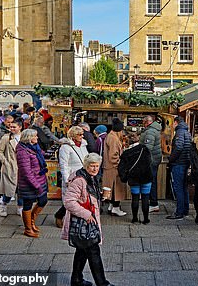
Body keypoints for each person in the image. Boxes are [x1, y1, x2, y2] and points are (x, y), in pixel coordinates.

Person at [61, 153, 114, 286]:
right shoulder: (80, 180)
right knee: (93, 251)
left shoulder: (90, 177)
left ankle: (76, 280)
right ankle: (102, 283)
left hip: (87, 221)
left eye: (97, 166)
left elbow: (88, 197)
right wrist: (86, 214)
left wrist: (101, 196)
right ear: (86, 165)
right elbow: (68, 202)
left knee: (82, 251)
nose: (95, 169)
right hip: (84, 222)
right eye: (92, 166)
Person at [15, 129, 49, 238]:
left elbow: (42, 155)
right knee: (28, 204)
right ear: (29, 138)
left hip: (40, 179)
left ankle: (32, 220)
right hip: (29, 183)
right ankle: (28, 228)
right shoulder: (22, 151)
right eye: (35, 136)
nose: (37, 138)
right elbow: (26, 172)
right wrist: (36, 185)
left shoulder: (34, 147)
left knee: (43, 200)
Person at [55, 126, 90, 226]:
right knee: (70, 199)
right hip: (72, 176)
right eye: (79, 134)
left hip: (83, 175)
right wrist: (66, 179)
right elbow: (63, 165)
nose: (82, 136)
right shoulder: (65, 147)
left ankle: (75, 219)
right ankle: (59, 215)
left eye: (82, 134)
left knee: (80, 198)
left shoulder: (83, 145)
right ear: (73, 135)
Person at [119, 132, 152, 224]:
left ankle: (134, 218)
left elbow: (122, 167)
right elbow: (150, 161)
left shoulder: (126, 153)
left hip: (134, 178)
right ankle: (146, 219)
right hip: (146, 177)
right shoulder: (145, 149)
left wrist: (124, 178)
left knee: (135, 198)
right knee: (145, 198)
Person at [0, 120, 23, 217]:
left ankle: (20, 207)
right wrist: (5, 162)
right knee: (9, 190)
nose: (11, 129)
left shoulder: (24, 138)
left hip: (22, 167)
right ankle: (3, 204)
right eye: (10, 127)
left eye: (14, 127)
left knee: (21, 189)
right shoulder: (6, 138)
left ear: (20, 127)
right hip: (10, 167)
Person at [167, 116, 192, 220]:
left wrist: (171, 159)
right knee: (184, 187)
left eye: (173, 123)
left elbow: (179, 147)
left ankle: (179, 212)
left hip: (179, 163)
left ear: (176, 122)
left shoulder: (179, 132)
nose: (172, 125)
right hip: (186, 162)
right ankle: (185, 210)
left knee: (178, 188)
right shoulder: (187, 132)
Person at [102, 118, 127, 217]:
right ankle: (116, 208)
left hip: (109, 167)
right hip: (113, 168)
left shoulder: (110, 136)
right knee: (116, 189)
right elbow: (113, 155)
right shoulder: (114, 138)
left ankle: (111, 207)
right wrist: (119, 164)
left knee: (111, 189)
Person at [140, 115, 162, 213]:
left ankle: (153, 203)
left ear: (146, 122)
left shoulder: (150, 132)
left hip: (151, 160)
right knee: (151, 180)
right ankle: (152, 202)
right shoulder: (154, 129)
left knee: (151, 181)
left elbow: (148, 148)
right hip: (154, 159)